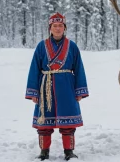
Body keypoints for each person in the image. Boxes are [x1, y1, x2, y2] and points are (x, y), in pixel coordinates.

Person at [25, 12, 89, 161]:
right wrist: (33, 92)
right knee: (44, 123)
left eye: (60, 26)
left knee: (68, 123)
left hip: (66, 88)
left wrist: (80, 90)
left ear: (64, 28)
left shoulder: (72, 46)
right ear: (50, 28)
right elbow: (34, 69)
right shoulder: (41, 46)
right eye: (55, 26)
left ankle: (69, 152)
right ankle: (44, 152)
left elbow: (79, 68)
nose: (58, 28)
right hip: (45, 87)